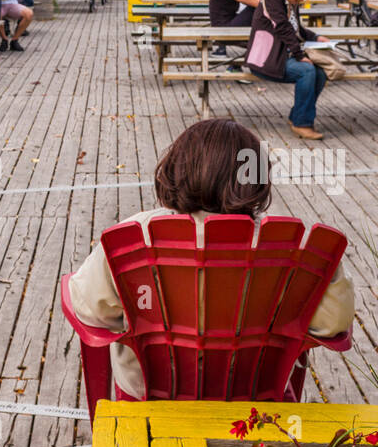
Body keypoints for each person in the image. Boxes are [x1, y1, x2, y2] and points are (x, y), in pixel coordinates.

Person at [68, 118, 354, 400]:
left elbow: (91, 311)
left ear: (175, 169)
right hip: (255, 397)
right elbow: (333, 326)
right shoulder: (301, 246)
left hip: (151, 395)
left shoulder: (132, 237)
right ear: (256, 178)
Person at [247, 0, 329, 140]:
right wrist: (300, 56)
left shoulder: (289, 1)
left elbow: (296, 28)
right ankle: (302, 124)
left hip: (283, 56)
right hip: (266, 59)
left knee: (320, 74)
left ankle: (297, 117)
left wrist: (315, 37)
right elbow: (283, 28)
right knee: (307, 70)